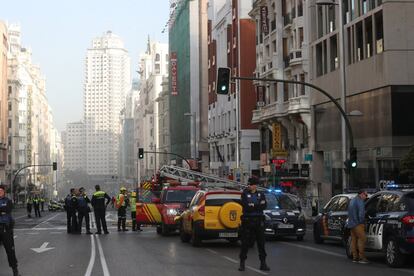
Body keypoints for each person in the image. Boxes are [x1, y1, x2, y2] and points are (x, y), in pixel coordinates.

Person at [238, 177, 270, 272]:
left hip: (258, 221)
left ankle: (263, 263)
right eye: (249, 184)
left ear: (255, 185)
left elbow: (263, 206)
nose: (249, 186)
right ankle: (242, 263)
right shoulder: (244, 194)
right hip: (248, 221)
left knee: (261, 243)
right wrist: (256, 206)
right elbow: (246, 207)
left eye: (251, 184)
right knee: (245, 243)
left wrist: (253, 205)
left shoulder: (261, 194)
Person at [0, 185, 21, 276]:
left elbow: (8, 209)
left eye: (1, 190)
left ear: (4, 192)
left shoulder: (8, 201)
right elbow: (3, 211)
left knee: (10, 250)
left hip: (6, 228)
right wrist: (2, 211)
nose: (0, 192)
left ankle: (15, 271)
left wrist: (3, 211)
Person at [347, 189, 369, 264]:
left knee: (354, 240)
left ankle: (355, 257)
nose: (366, 197)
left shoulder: (352, 200)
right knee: (362, 239)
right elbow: (361, 214)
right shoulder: (360, 202)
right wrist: (361, 221)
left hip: (351, 223)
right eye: (366, 195)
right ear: (362, 194)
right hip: (358, 224)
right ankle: (361, 258)